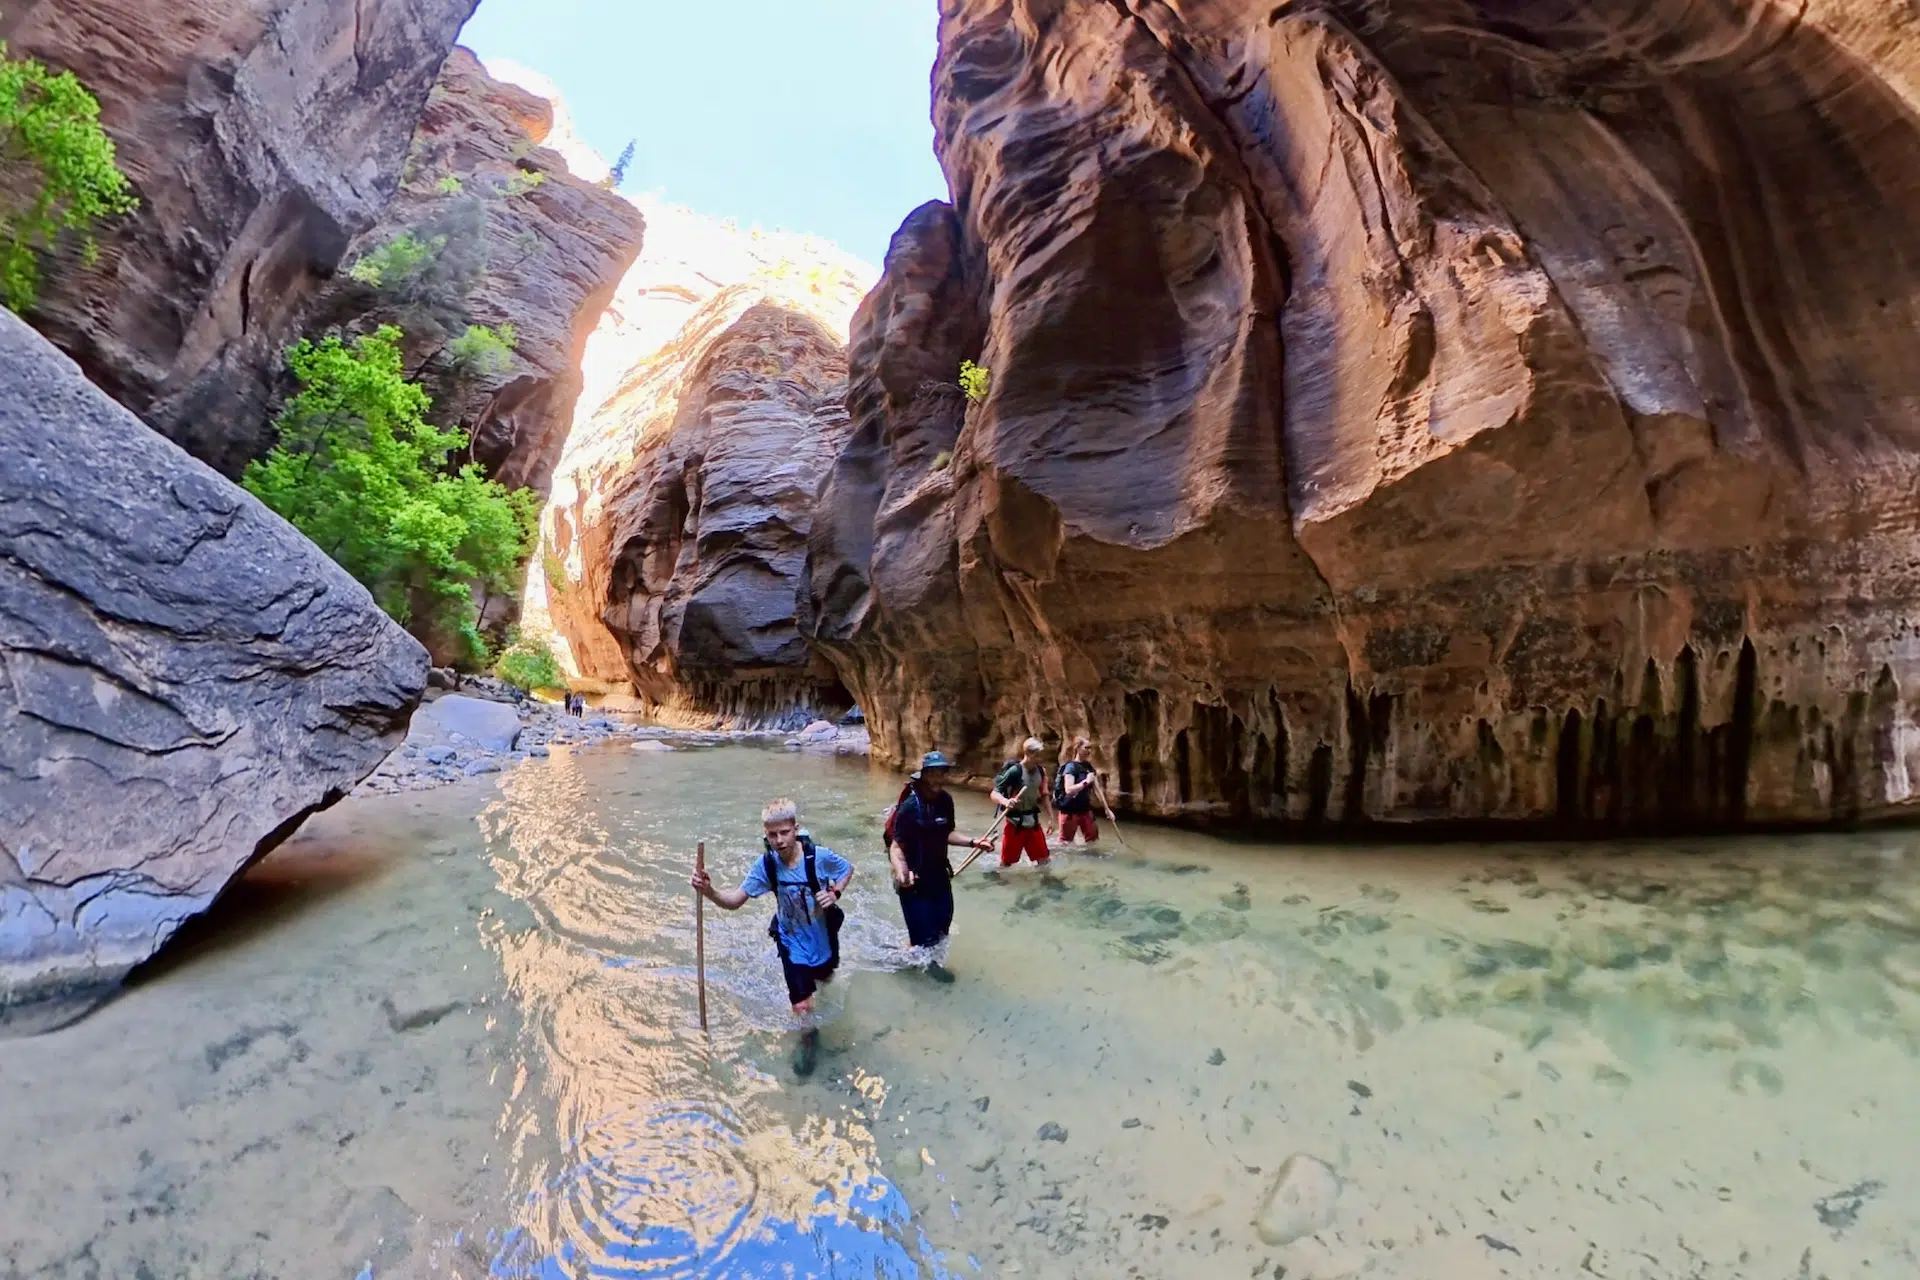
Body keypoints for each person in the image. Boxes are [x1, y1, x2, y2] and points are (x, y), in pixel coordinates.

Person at [690, 797, 853, 1077]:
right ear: (765, 834)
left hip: (821, 936)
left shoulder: (818, 856)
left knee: (825, 977)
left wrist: (835, 892)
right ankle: (808, 1043)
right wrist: (709, 891)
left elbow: (847, 869)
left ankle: (817, 992)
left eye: (784, 833)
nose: (778, 840)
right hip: (790, 940)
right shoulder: (765, 865)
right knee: (802, 1005)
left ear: (795, 828)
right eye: (772, 834)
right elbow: (734, 901)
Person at [886, 751, 991, 982]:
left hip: (939, 876)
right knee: (926, 938)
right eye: (932, 773)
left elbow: (946, 833)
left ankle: (910, 953)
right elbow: (895, 846)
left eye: (940, 773)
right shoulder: (910, 807)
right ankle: (926, 967)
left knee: (942, 929)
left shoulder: (945, 801)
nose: (937, 778)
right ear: (923, 775)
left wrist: (973, 842)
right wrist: (902, 873)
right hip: (914, 881)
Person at [992, 737, 1054, 867]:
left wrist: (1051, 818)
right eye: (1038, 755)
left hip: (1033, 822)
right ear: (1029, 753)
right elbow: (994, 793)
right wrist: (1005, 801)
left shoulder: (1041, 771)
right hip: (1015, 824)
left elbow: (1044, 795)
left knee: (1044, 860)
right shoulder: (1015, 771)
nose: (1041, 759)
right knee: (1007, 863)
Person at [1054, 737, 1114, 845]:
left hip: (1084, 810)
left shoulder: (1089, 767)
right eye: (1086, 748)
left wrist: (1107, 809)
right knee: (1065, 843)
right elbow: (1069, 790)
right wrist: (1086, 782)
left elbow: (1097, 790)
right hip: (1069, 812)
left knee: (1093, 839)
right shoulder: (1070, 767)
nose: (1089, 751)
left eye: (1090, 748)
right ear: (1077, 748)